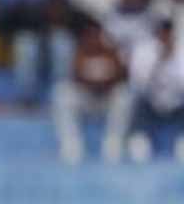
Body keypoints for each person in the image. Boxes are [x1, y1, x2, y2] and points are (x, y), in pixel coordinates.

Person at [51, 18, 132, 164]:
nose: (93, 38)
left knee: (124, 95)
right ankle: (71, 143)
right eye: (90, 35)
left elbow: (121, 76)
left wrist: (104, 83)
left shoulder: (111, 52)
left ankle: (114, 142)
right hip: (86, 99)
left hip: (107, 100)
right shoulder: (79, 52)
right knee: (62, 93)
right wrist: (96, 83)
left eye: (96, 34)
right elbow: (76, 76)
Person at [127, 19, 184, 163]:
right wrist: (158, 62)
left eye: (167, 34)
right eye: (161, 34)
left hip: (177, 104)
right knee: (136, 100)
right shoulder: (143, 52)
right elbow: (139, 84)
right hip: (150, 102)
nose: (164, 38)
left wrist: (172, 60)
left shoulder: (183, 53)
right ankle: (139, 142)